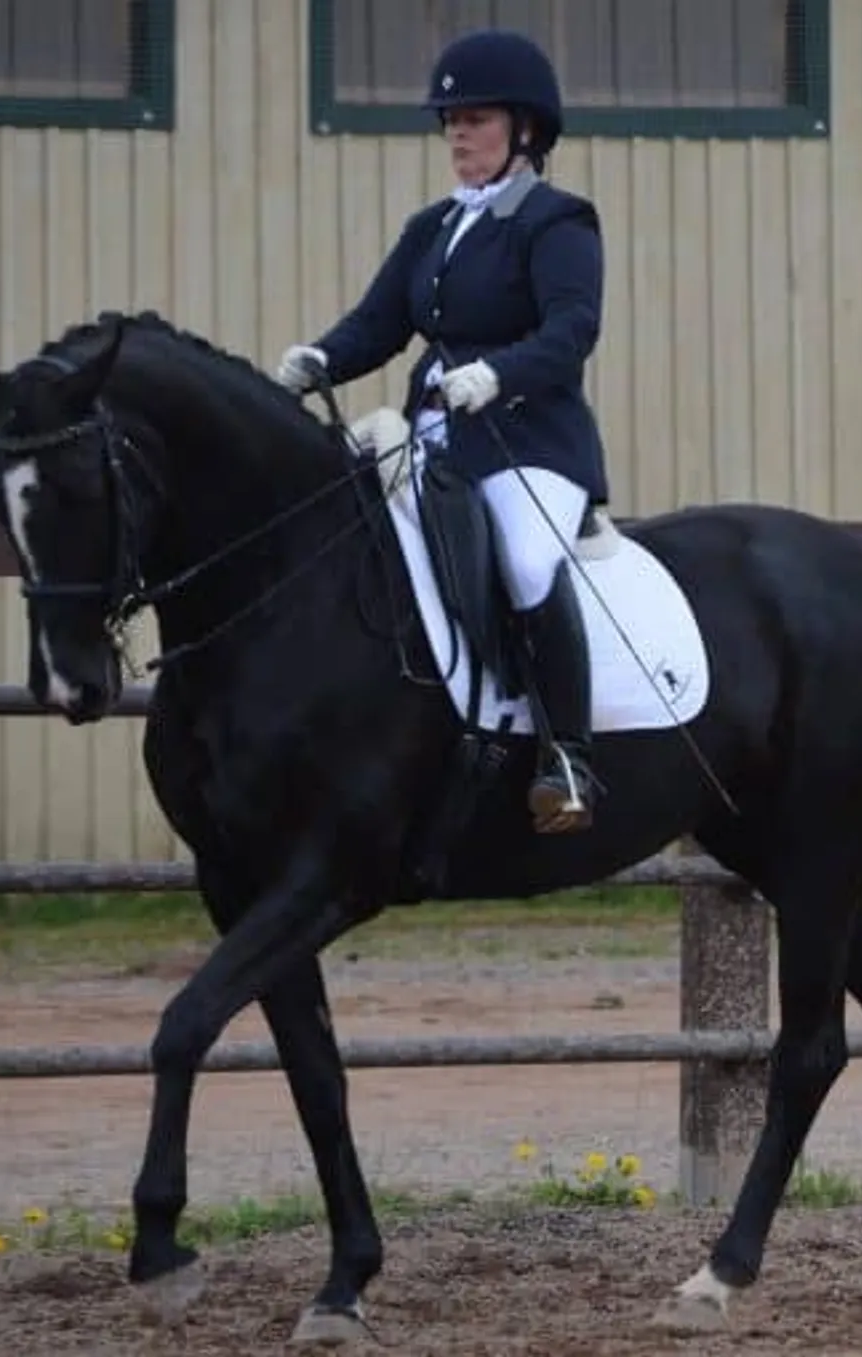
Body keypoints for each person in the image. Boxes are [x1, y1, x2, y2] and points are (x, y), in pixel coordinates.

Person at [273, 28, 610, 835]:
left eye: (477, 118)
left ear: (526, 129)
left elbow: (573, 330)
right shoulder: (434, 226)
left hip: (530, 444)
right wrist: (319, 358)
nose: (457, 132)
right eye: (450, 119)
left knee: (528, 561)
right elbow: (380, 324)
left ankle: (568, 757)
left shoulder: (557, 219)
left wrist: (499, 374)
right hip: (432, 443)